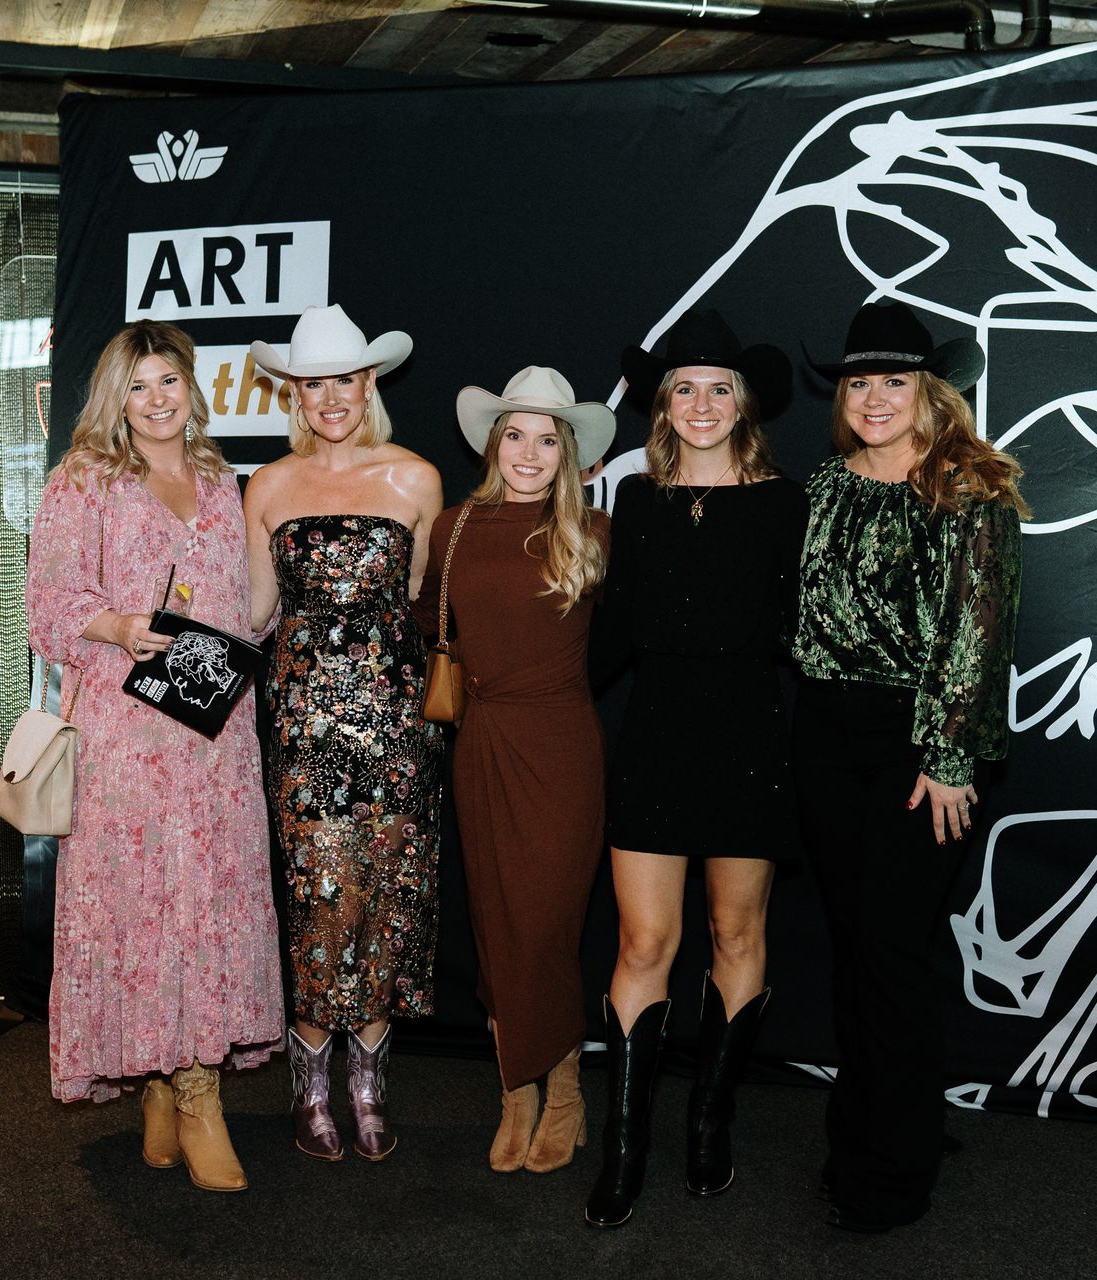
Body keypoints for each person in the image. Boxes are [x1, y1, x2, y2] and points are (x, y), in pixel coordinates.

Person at [25, 320, 284, 1193]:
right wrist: (120, 625)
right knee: (142, 908)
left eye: (169, 379)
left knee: (206, 900)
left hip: (215, 738)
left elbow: (247, 612)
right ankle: (174, 1089)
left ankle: (187, 1088)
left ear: (191, 388)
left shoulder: (222, 480)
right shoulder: (83, 481)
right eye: (138, 385)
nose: (157, 398)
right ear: (115, 398)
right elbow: (50, 603)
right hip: (127, 738)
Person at [791, 299, 1026, 1233]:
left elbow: (979, 628)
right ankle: (881, 1121)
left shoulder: (970, 485)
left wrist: (947, 751)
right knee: (861, 952)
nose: (875, 397)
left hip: (920, 742)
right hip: (823, 735)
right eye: (860, 381)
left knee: (890, 950)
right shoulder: (822, 484)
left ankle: (891, 1170)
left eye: (895, 380)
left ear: (931, 392)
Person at [584, 309, 807, 1228]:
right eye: (685, 388)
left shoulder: (788, 502)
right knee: (643, 945)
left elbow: (805, 633)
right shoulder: (634, 500)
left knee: (737, 937)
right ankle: (626, 1146)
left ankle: (709, 1124)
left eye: (720, 387)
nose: (703, 402)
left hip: (750, 738)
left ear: (743, 403)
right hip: (657, 737)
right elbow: (611, 634)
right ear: (663, 408)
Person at [243, 304, 444, 1163]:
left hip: (397, 727)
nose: (331, 396)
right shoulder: (269, 485)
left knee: (387, 899)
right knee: (321, 901)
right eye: (314, 381)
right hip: (303, 724)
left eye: (345, 378)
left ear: (370, 383)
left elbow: (424, 612)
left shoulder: (417, 479)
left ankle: (369, 1086)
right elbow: (255, 612)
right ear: (295, 390)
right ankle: (309, 1085)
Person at [414, 367, 616, 1175]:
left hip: (563, 746)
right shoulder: (455, 527)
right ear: (494, 442)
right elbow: (429, 627)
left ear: (567, 452)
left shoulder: (593, 533)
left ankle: (564, 1089)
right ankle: (515, 1092)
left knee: (546, 925)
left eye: (546, 438)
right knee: (498, 923)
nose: (528, 452)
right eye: (514, 434)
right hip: (483, 741)